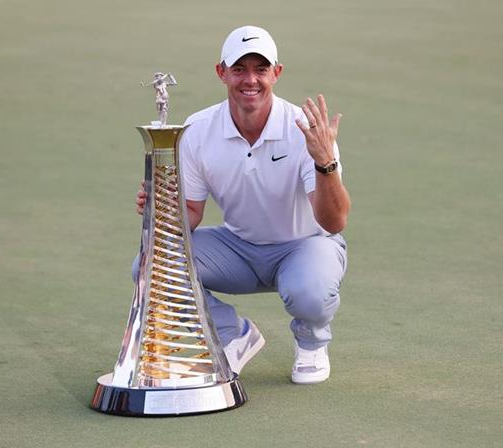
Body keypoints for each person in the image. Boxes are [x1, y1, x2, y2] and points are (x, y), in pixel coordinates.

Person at [134, 25, 350, 384]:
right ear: (221, 72)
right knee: (150, 265)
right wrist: (161, 210)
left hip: (306, 246)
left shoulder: (306, 130)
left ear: (276, 73)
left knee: (308, 292)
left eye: (260, 69)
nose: (250, 80)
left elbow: (334, 222)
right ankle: (233, 335)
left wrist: (325, 163)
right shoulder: (198, 129)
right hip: (238, 248)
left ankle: (311, 343)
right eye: (239, 69)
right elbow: (191, 212)